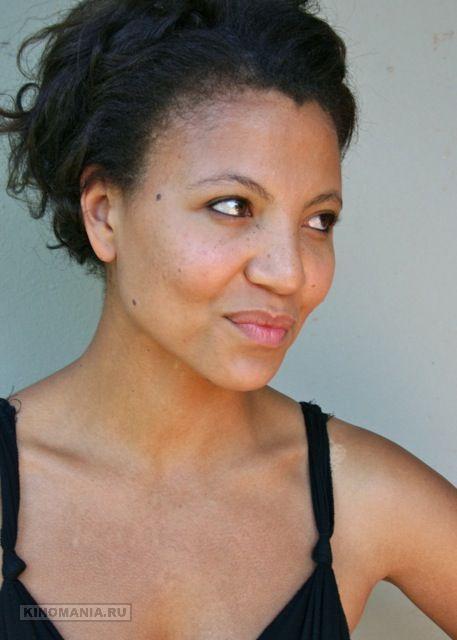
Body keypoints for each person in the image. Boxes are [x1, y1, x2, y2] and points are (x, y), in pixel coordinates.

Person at [0, 0, 456, 638]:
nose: (289, 273)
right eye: (233, 205)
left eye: (319, 220)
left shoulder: (361, 494)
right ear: (104, 214)